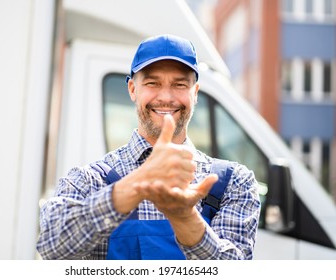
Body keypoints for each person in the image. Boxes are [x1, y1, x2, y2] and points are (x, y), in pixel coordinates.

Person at [36, 34, 261, 260]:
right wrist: (135, 185)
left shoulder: (232, 183)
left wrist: (184, 217)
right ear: (133, 89)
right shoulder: (90, 181)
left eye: (179, 84)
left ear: (195, 93)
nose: (166, 97)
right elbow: (50, 246)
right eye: (152, 83)